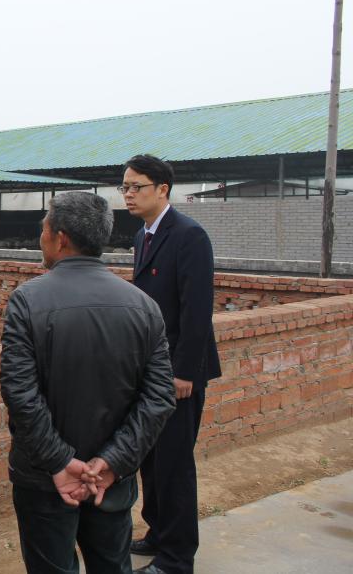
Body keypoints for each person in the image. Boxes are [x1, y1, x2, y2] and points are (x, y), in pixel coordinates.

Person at [0, 191, 176, 574]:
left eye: (44, 229)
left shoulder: (27, 301)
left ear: (60, 237)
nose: (41, 237)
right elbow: (160, 397)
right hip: (109, 482)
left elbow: (20, 393)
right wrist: (113, 462)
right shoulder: (143, 306)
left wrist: (60, 461)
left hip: (45, 480)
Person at [120, 154, 222, 574]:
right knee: (151, 458)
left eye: (136, 187)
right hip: (151, 368)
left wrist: (184, 372)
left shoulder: (189, 235)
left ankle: (177, 559)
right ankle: (159, 533)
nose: (128, 194)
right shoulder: (144, 235)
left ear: (162, 189)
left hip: (178, 372)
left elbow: (197, 311)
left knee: (175, 464)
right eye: (125, 187)